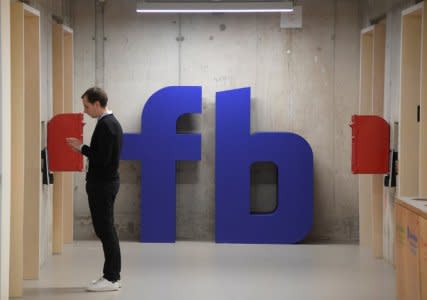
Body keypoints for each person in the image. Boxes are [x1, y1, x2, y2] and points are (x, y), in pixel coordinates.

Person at [66, 87, 123, 292]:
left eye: (87, 106)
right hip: (104, 183)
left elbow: (102, 159)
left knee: (106, 230)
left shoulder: (108, 126)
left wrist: (81, 148)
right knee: (105, 229)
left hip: (103, 185)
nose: (85, 110)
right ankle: (110, 275)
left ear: (98, 104)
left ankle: (111, 277)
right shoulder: (107, 123)